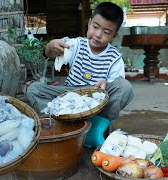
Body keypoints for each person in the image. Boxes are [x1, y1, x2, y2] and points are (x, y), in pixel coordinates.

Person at [26, 2, 134, 148]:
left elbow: (118, 85)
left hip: (97, 101)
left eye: (106, 32)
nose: (98, 34)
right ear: (89, 23)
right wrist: (52, 45)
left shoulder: (114, 57)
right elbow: (50, 52)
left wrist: (106, 84)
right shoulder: (76, 44)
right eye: (95, 27)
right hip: (70, 96)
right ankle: (62, 123)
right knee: (34, 89)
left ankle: (95, 129)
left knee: (125, 87)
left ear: (114, 35)